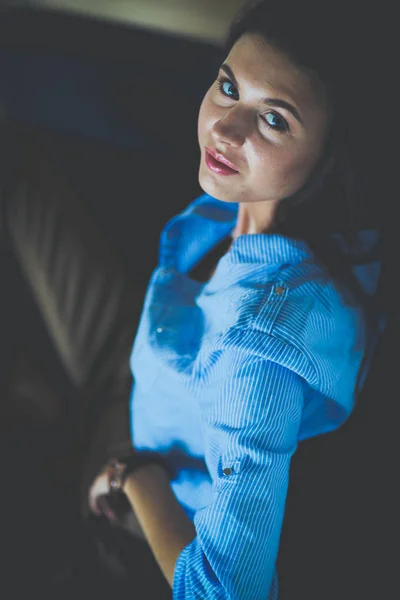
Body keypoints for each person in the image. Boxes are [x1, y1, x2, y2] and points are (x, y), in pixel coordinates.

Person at [86, 1, 385, 598]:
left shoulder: (257, 357)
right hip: (154, 362)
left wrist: (132, 477)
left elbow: (222, 591)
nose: (223, 128)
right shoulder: (280, 208)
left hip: (144, 481)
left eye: (274, 120)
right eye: (227, 86)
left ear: (332, 157)